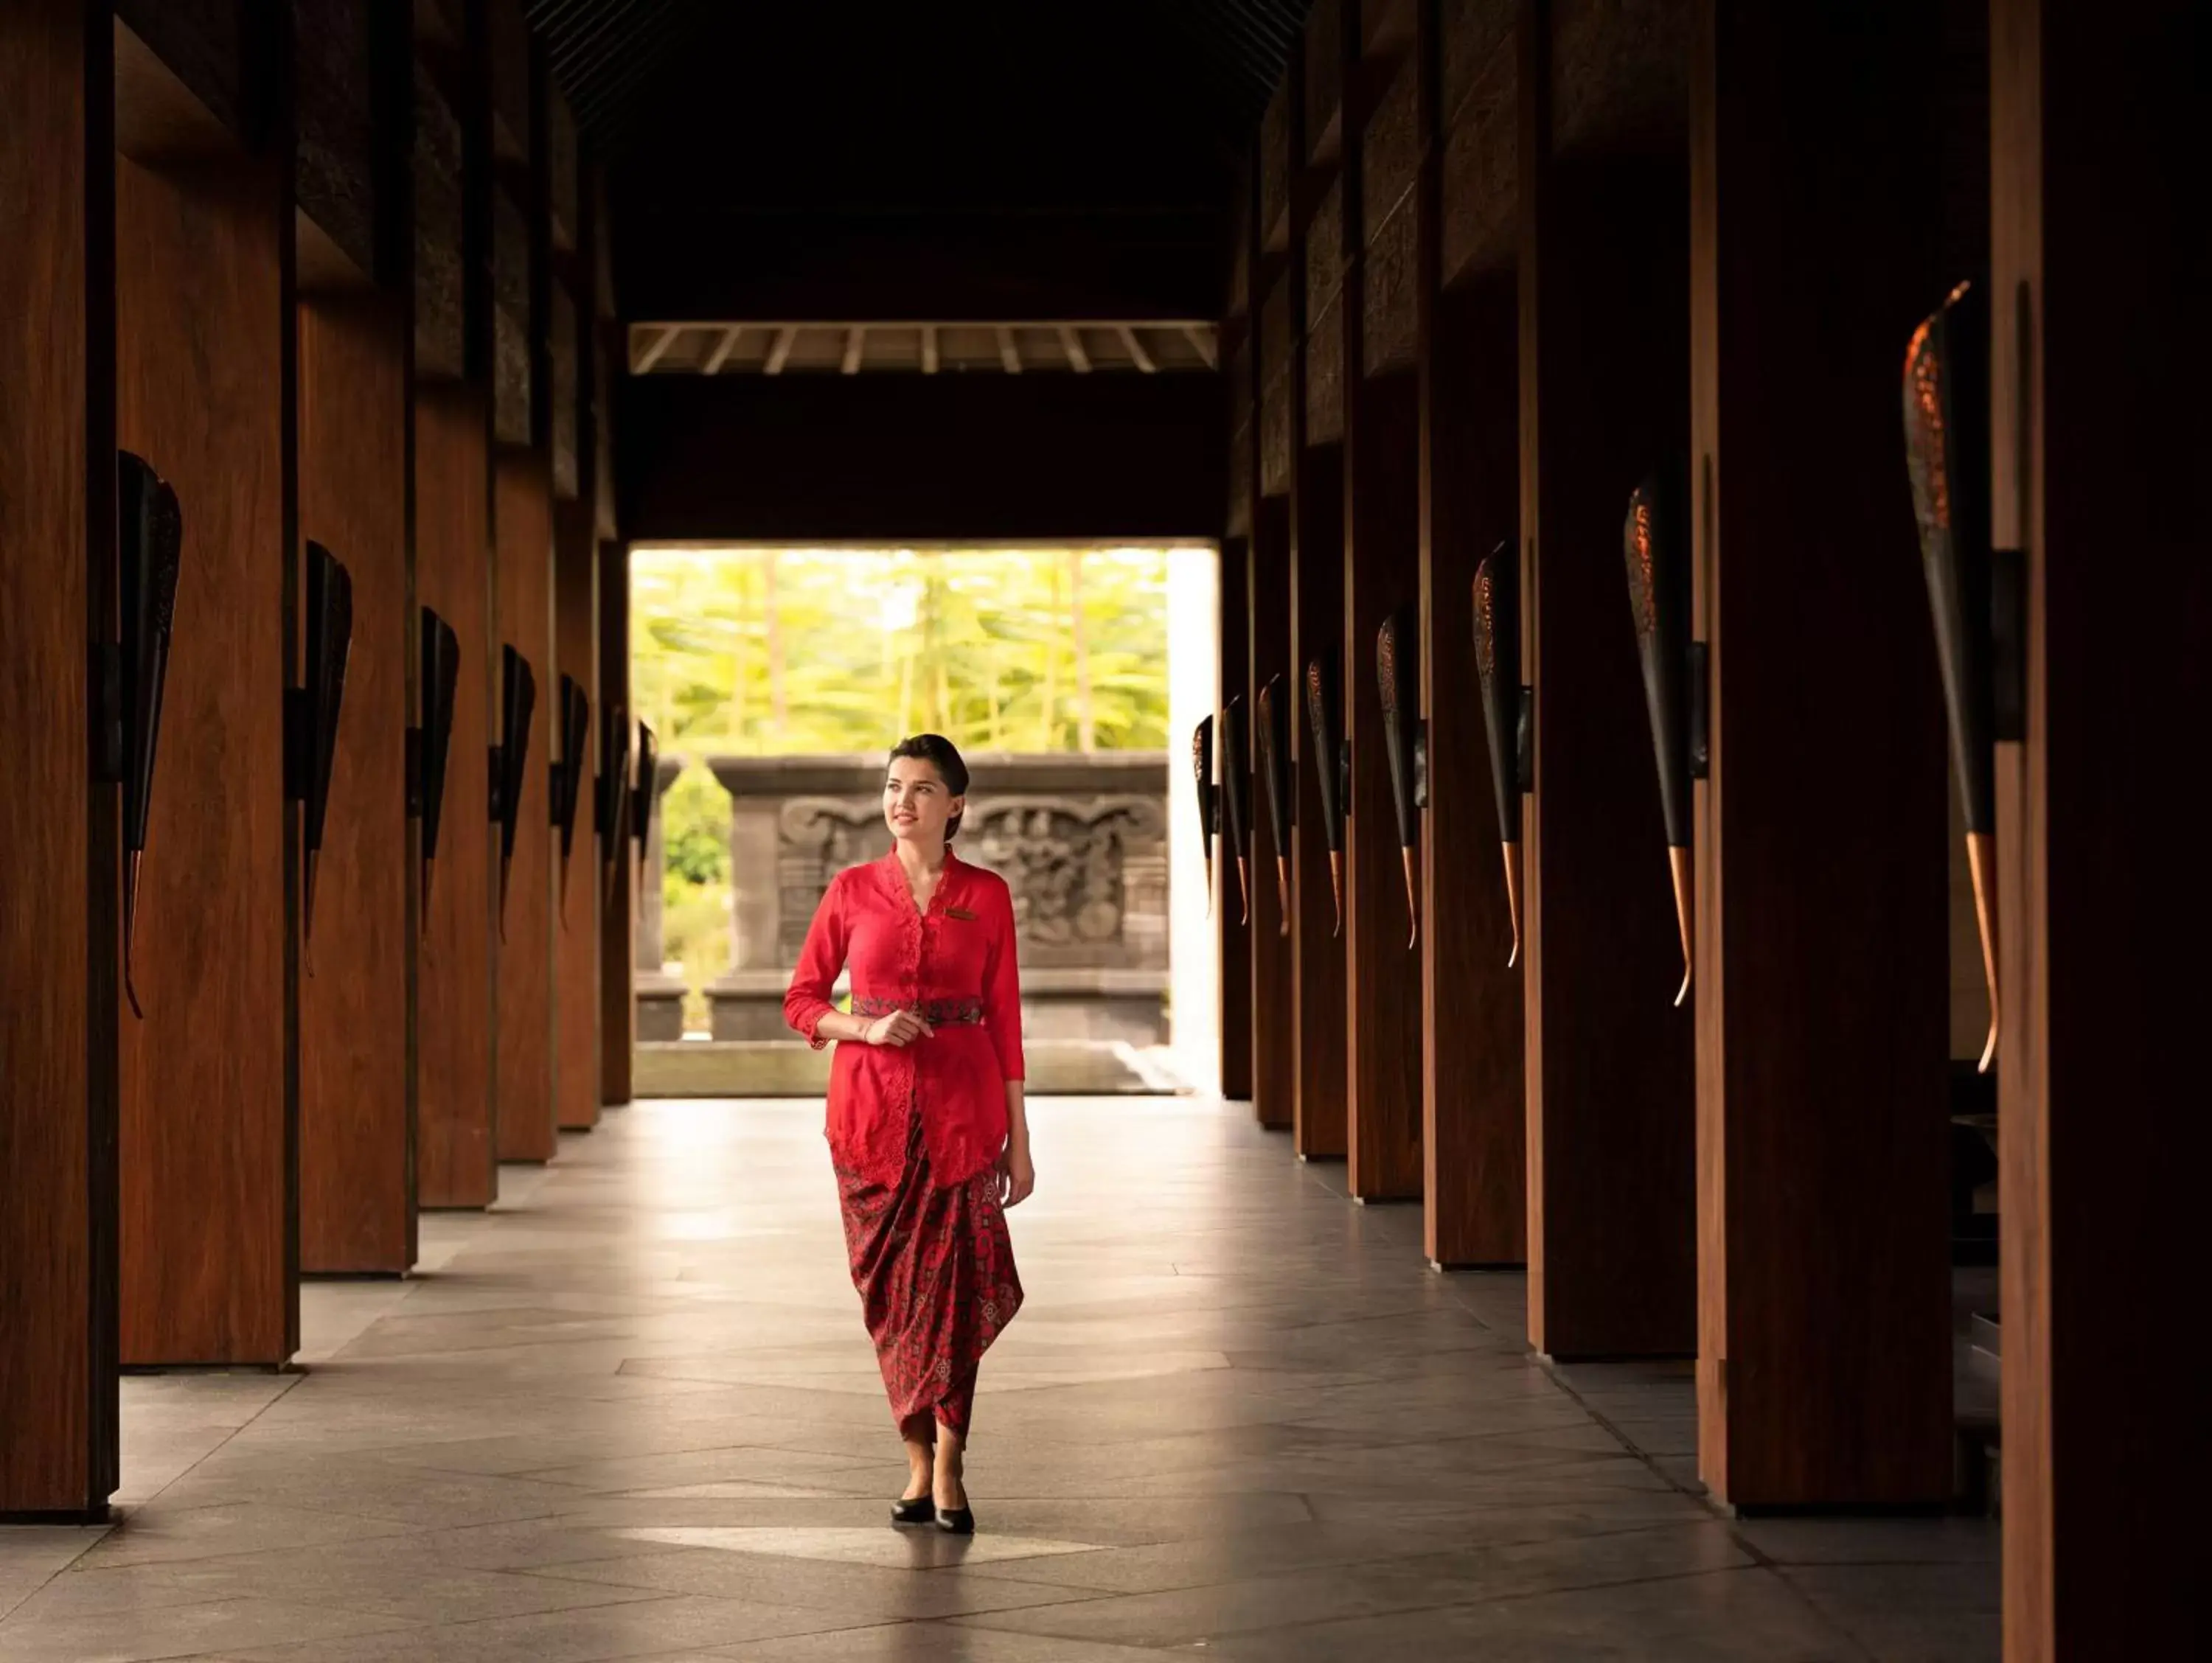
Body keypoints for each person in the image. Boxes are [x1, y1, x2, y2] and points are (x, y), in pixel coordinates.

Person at [783, 734, 1034, 1535]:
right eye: (895, 787)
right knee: (892, 1300)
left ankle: (952, 1460)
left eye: (924, 789)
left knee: (958, 1296)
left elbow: (1008, 1025)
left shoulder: (988, 895)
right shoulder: (852, 890)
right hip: (868, 1123)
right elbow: (801, 999)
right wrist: (864, 1028)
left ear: (954, 805)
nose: (904, 801)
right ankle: (915, 1455)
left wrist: (1020, 1144)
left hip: (965, 1122)